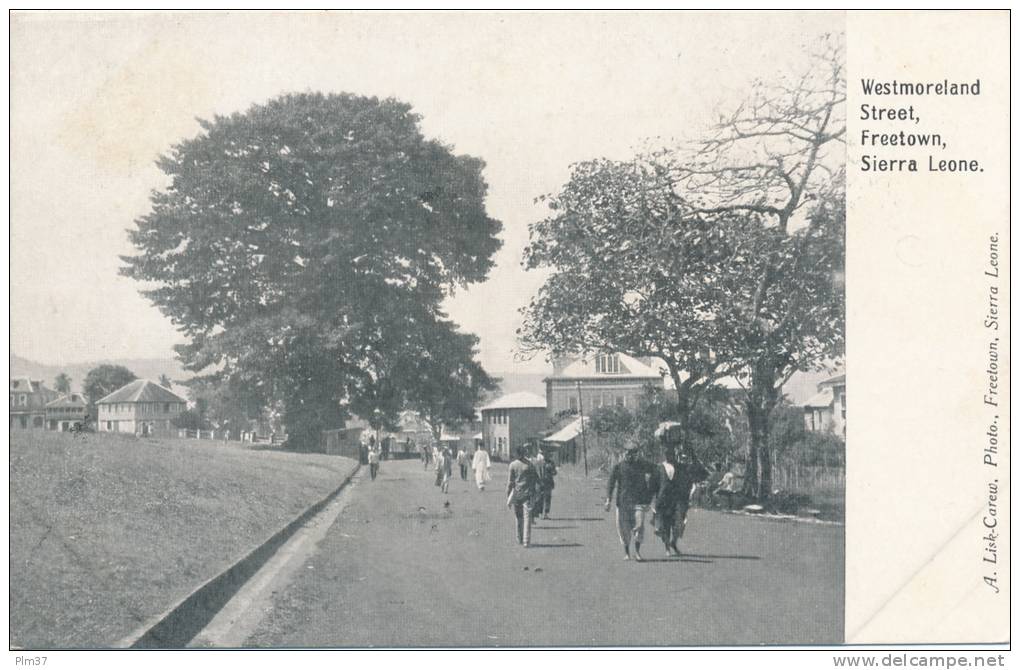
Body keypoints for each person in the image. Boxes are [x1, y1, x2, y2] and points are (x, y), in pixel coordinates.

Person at [604, 440, 656, 561]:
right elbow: (610, 484)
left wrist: (650, 492)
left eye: (633, 452)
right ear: (624, 452)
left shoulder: (643, 465)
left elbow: (657, 472)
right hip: (623, 503)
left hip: (639, 502)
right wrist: (608, 500)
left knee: (639, 527)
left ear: (637, 453)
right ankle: (626, 552)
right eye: (627, 452)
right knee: (624, 529)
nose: (630, 454)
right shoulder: (618, 467)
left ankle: (637, 552)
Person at [652, 445, 708, 556]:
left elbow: (702, 472)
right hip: (664, 500)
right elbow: (653, 485)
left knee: (678, 524)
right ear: (665, 455)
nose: (670, 456)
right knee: (666, 525)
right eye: (668, 454)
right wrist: (653, 500)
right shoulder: (659, 468)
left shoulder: (682, 467)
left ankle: (673, 543)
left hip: (679, 501)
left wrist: (693, 454)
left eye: (672, 454)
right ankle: (667, 547)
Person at [506, 445, 538, 547]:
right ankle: (526, 541)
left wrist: (508, 495)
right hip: (528, 494)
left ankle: (519, 538)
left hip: (517, 494)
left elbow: (510, 482)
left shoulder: (512, 465)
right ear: (524, 453)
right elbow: (535, 479)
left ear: (516, 453)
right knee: (527, 517)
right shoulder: (530, 465)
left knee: (518, 517)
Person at [536, 448, 557, 520]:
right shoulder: (539, 463)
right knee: (540, 498)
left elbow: (554, 472)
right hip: (540, 482)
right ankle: (540, 513)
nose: (545, 455)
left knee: (547, 498)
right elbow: (537, 472)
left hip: (548, 482)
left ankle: (546, 513)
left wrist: (552, 472)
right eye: (543, 454)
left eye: (546, 454)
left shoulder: (551, 463)